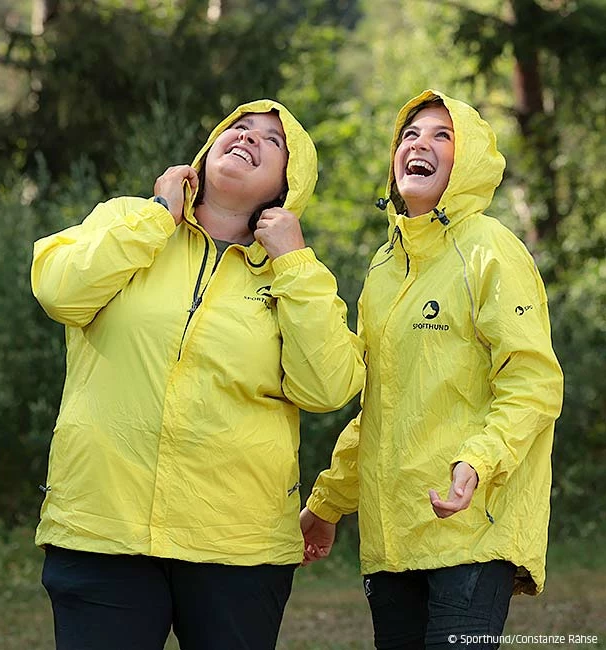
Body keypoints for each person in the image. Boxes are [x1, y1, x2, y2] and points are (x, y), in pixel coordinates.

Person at [31, 98, 365, 650]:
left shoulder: (295, 274)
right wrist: (158, 214)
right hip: (102, 530)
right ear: (208, 150)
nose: (249, 138)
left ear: (287, 187)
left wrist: (293, 261)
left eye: (272, 141)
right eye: (241, 127)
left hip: (238, 545)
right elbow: (60, 292)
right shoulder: (127, 219)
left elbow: (327, 387)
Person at [300, 89, 564, 649]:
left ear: (466, 161)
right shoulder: (384, 267)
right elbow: (379, 409)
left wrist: (478, 462)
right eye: (410, 134)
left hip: (471, 531)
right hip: (392, 540)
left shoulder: (491, 249)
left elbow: (534, 384)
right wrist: (328, 504)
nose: (420, 144)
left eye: (443, 135)